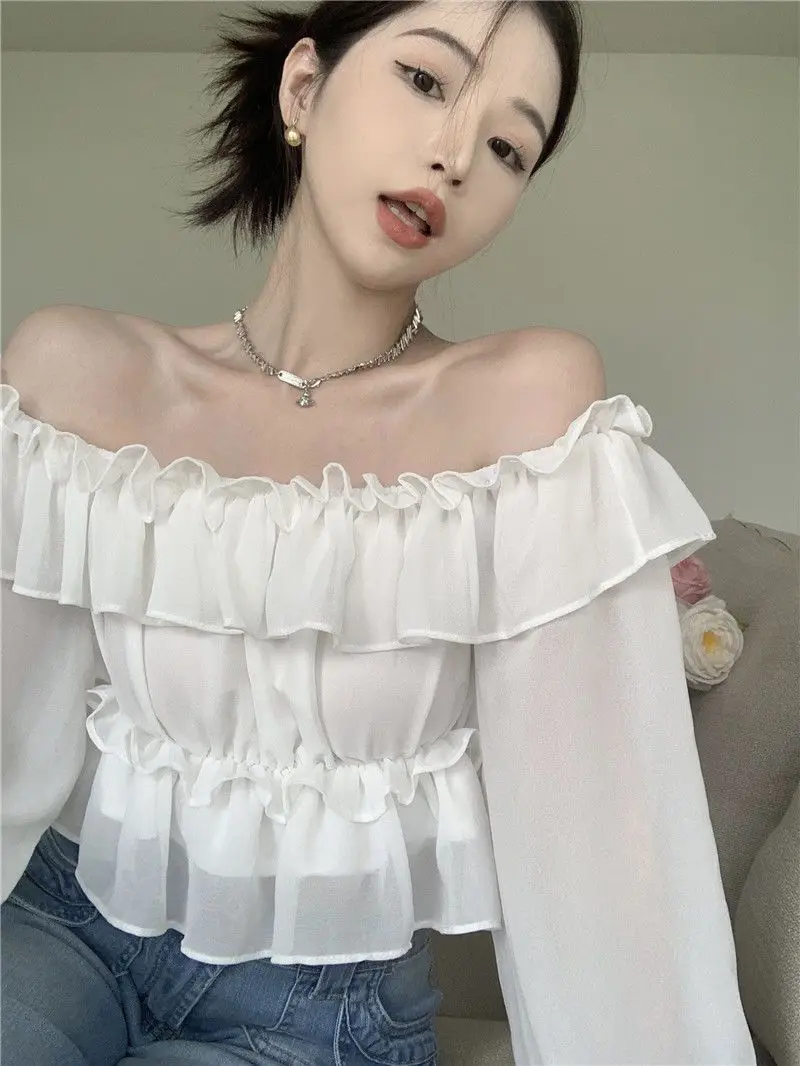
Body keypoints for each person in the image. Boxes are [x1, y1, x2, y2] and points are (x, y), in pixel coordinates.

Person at [0, 1, 757, 1064]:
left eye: (507, 147)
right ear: (304, 87)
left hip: (321, 1005)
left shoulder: (527, 413)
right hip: (69, 919)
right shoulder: (79, 375)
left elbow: (601, 822)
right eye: (425, 81)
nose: (453, 157)